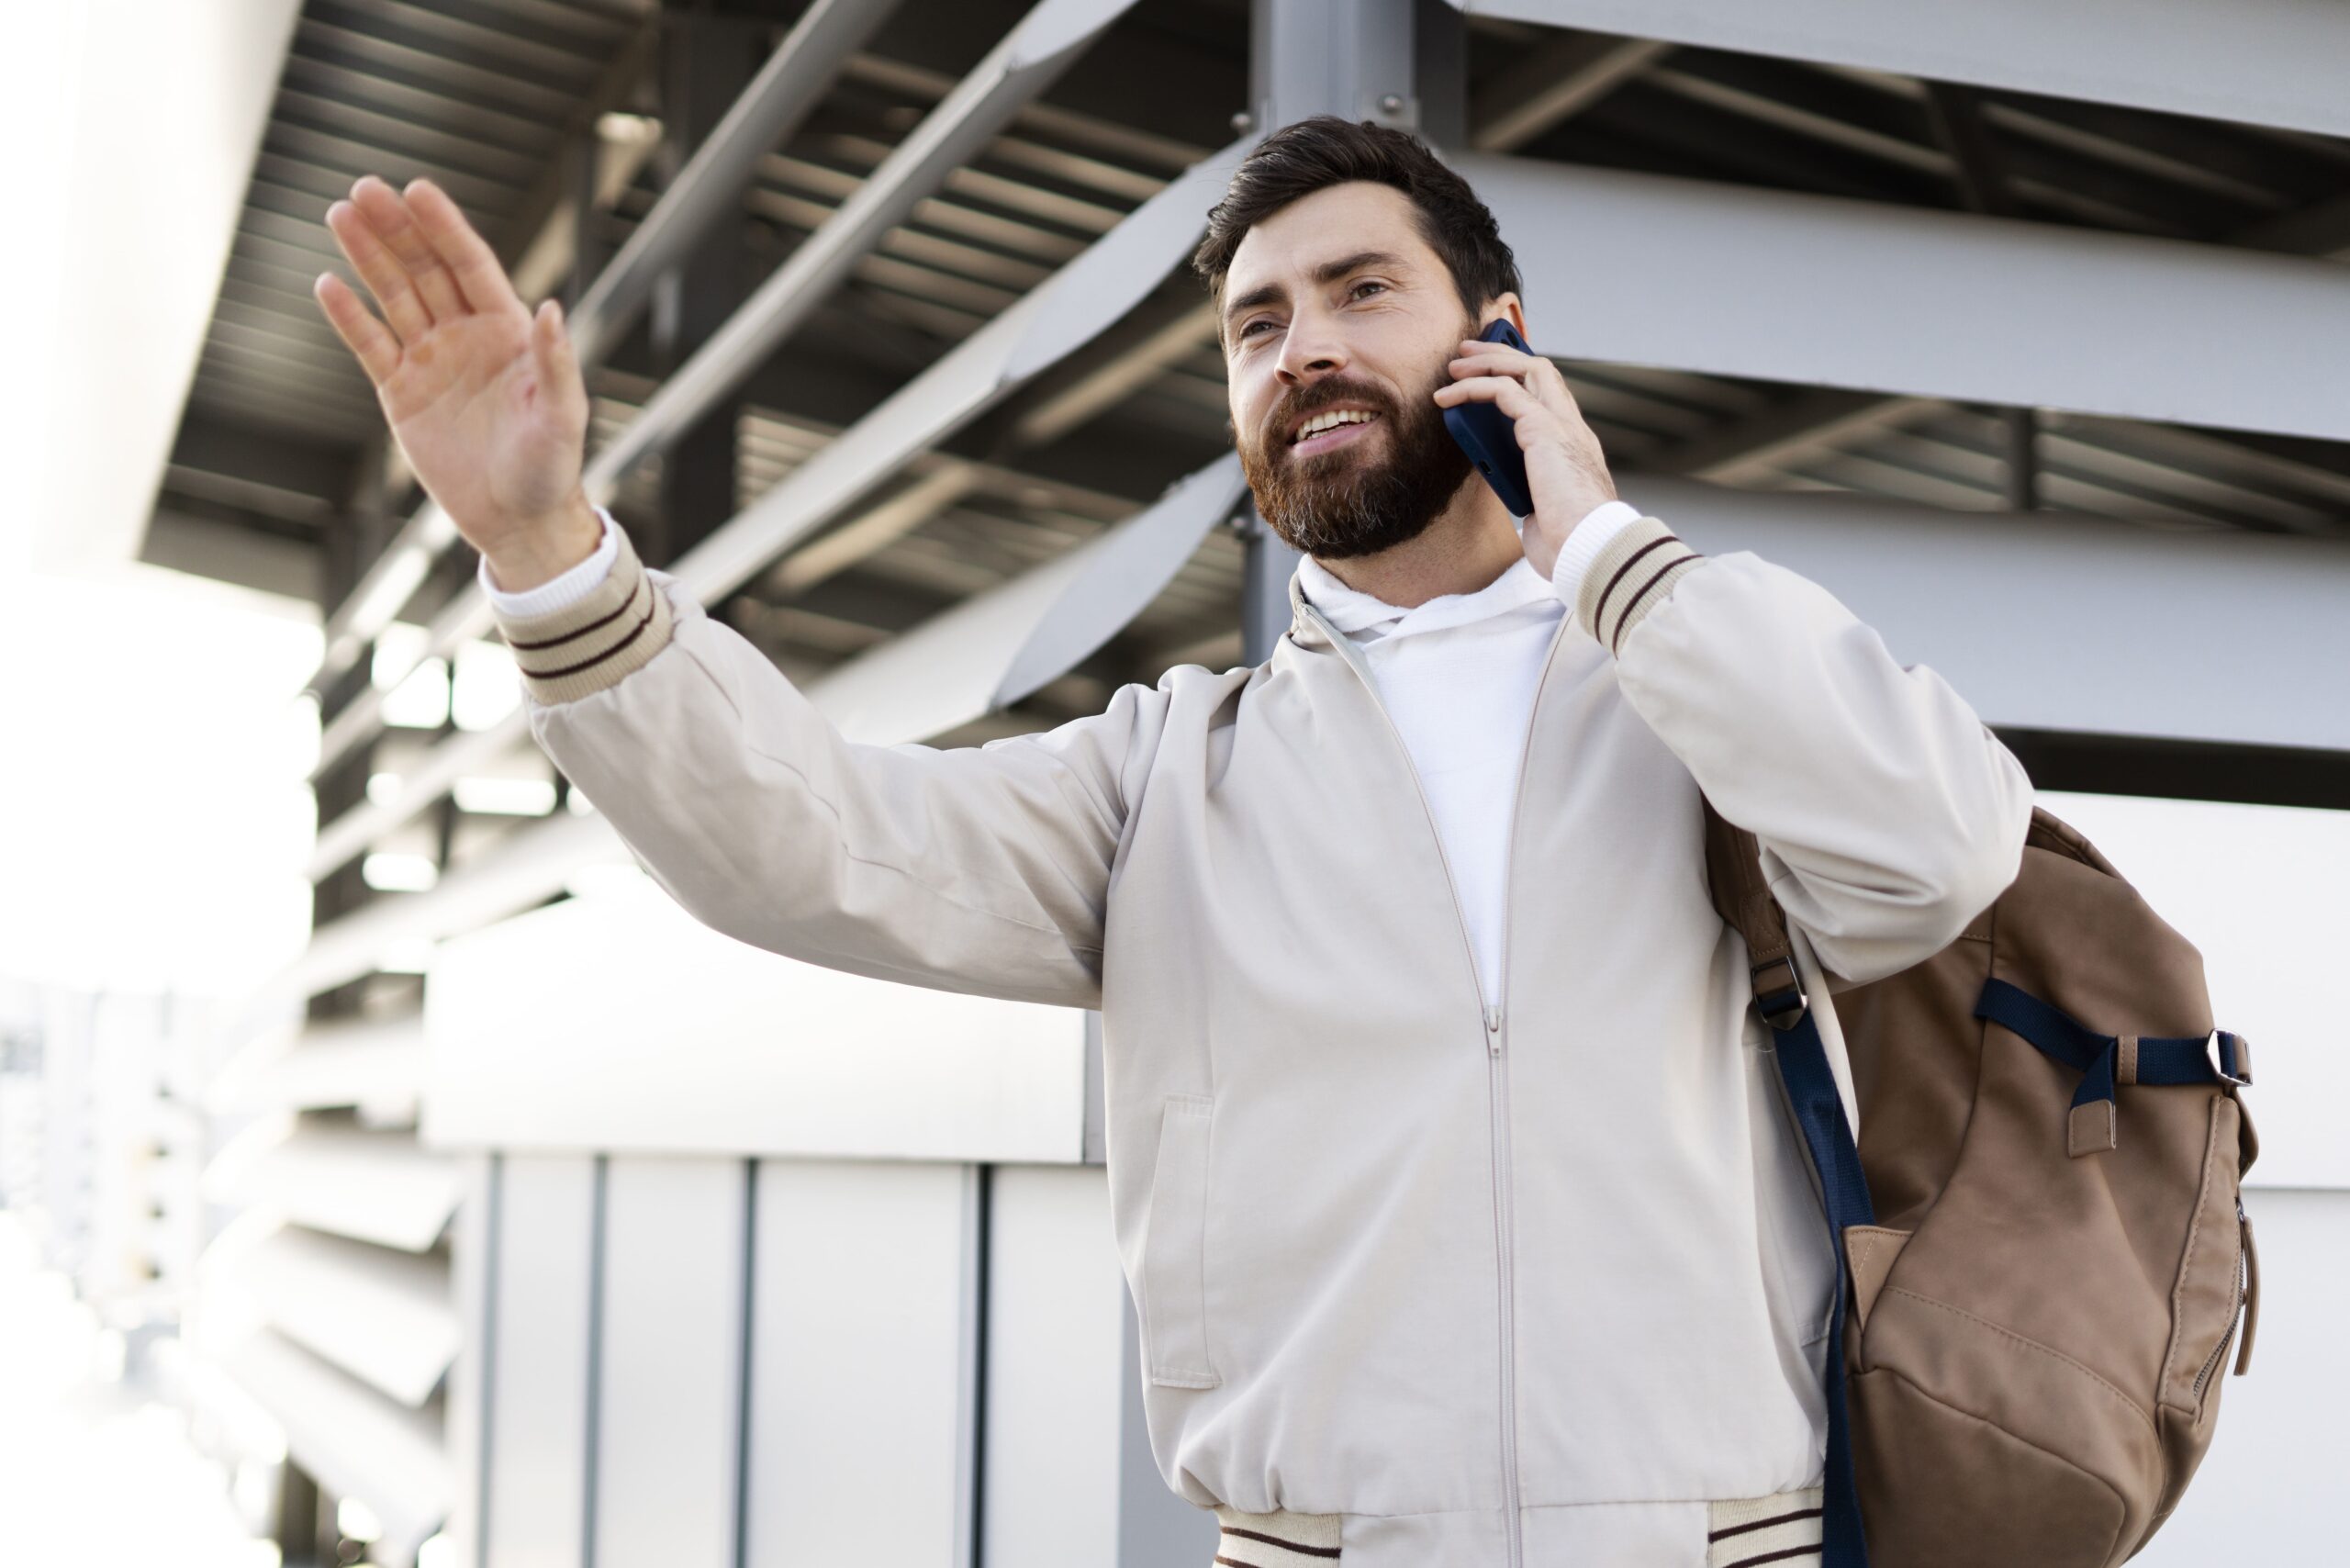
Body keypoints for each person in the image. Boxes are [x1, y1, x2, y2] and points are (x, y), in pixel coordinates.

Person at [316, 116, 2033, 1568]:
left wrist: (1600, 543)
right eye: (1257, 323)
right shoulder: (1163, 781)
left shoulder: (1693, 677)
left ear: (1499, 333)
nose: (1304, 347)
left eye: (1365, 292)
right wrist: (549, 548)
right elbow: (805, 837)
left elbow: (1941, 848)